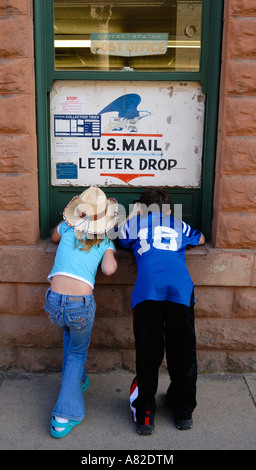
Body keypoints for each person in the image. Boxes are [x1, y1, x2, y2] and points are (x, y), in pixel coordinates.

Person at [117, 188, 205, 436]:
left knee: (148, 354)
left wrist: (134, 216)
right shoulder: (177, 223)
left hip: (148, 290)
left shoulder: (134, 224)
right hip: (180, 289)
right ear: (168, 210)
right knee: (183, 351)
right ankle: (183, 411)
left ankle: (145, 414)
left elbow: (120, 238)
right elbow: (200, 239)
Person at [44, 186, 118, 438]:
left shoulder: (66, 228)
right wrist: (110, 248)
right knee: (76, 352)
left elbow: (54, 237)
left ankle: (78, 381)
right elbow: (109, 270)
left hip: (53, 302)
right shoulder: (105, 241)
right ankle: (63, 416)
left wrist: (72, 222)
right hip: (79, 305)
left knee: (70, 338)